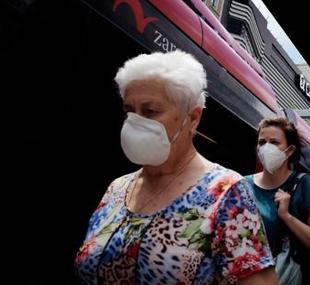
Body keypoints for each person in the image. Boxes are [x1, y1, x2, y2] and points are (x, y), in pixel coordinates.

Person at [74, 50, 278, 285]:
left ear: (193, 118)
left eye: (150, 111)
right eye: (129, 111)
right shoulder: (117, 189)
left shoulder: (227, 193)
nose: (135, 121)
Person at [245, 117, 310, 285]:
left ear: (290, 150)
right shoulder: (243, 185)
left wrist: (287, 216)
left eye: (274, 142)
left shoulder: (305, 184)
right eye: (262, 142)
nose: (266, 147)